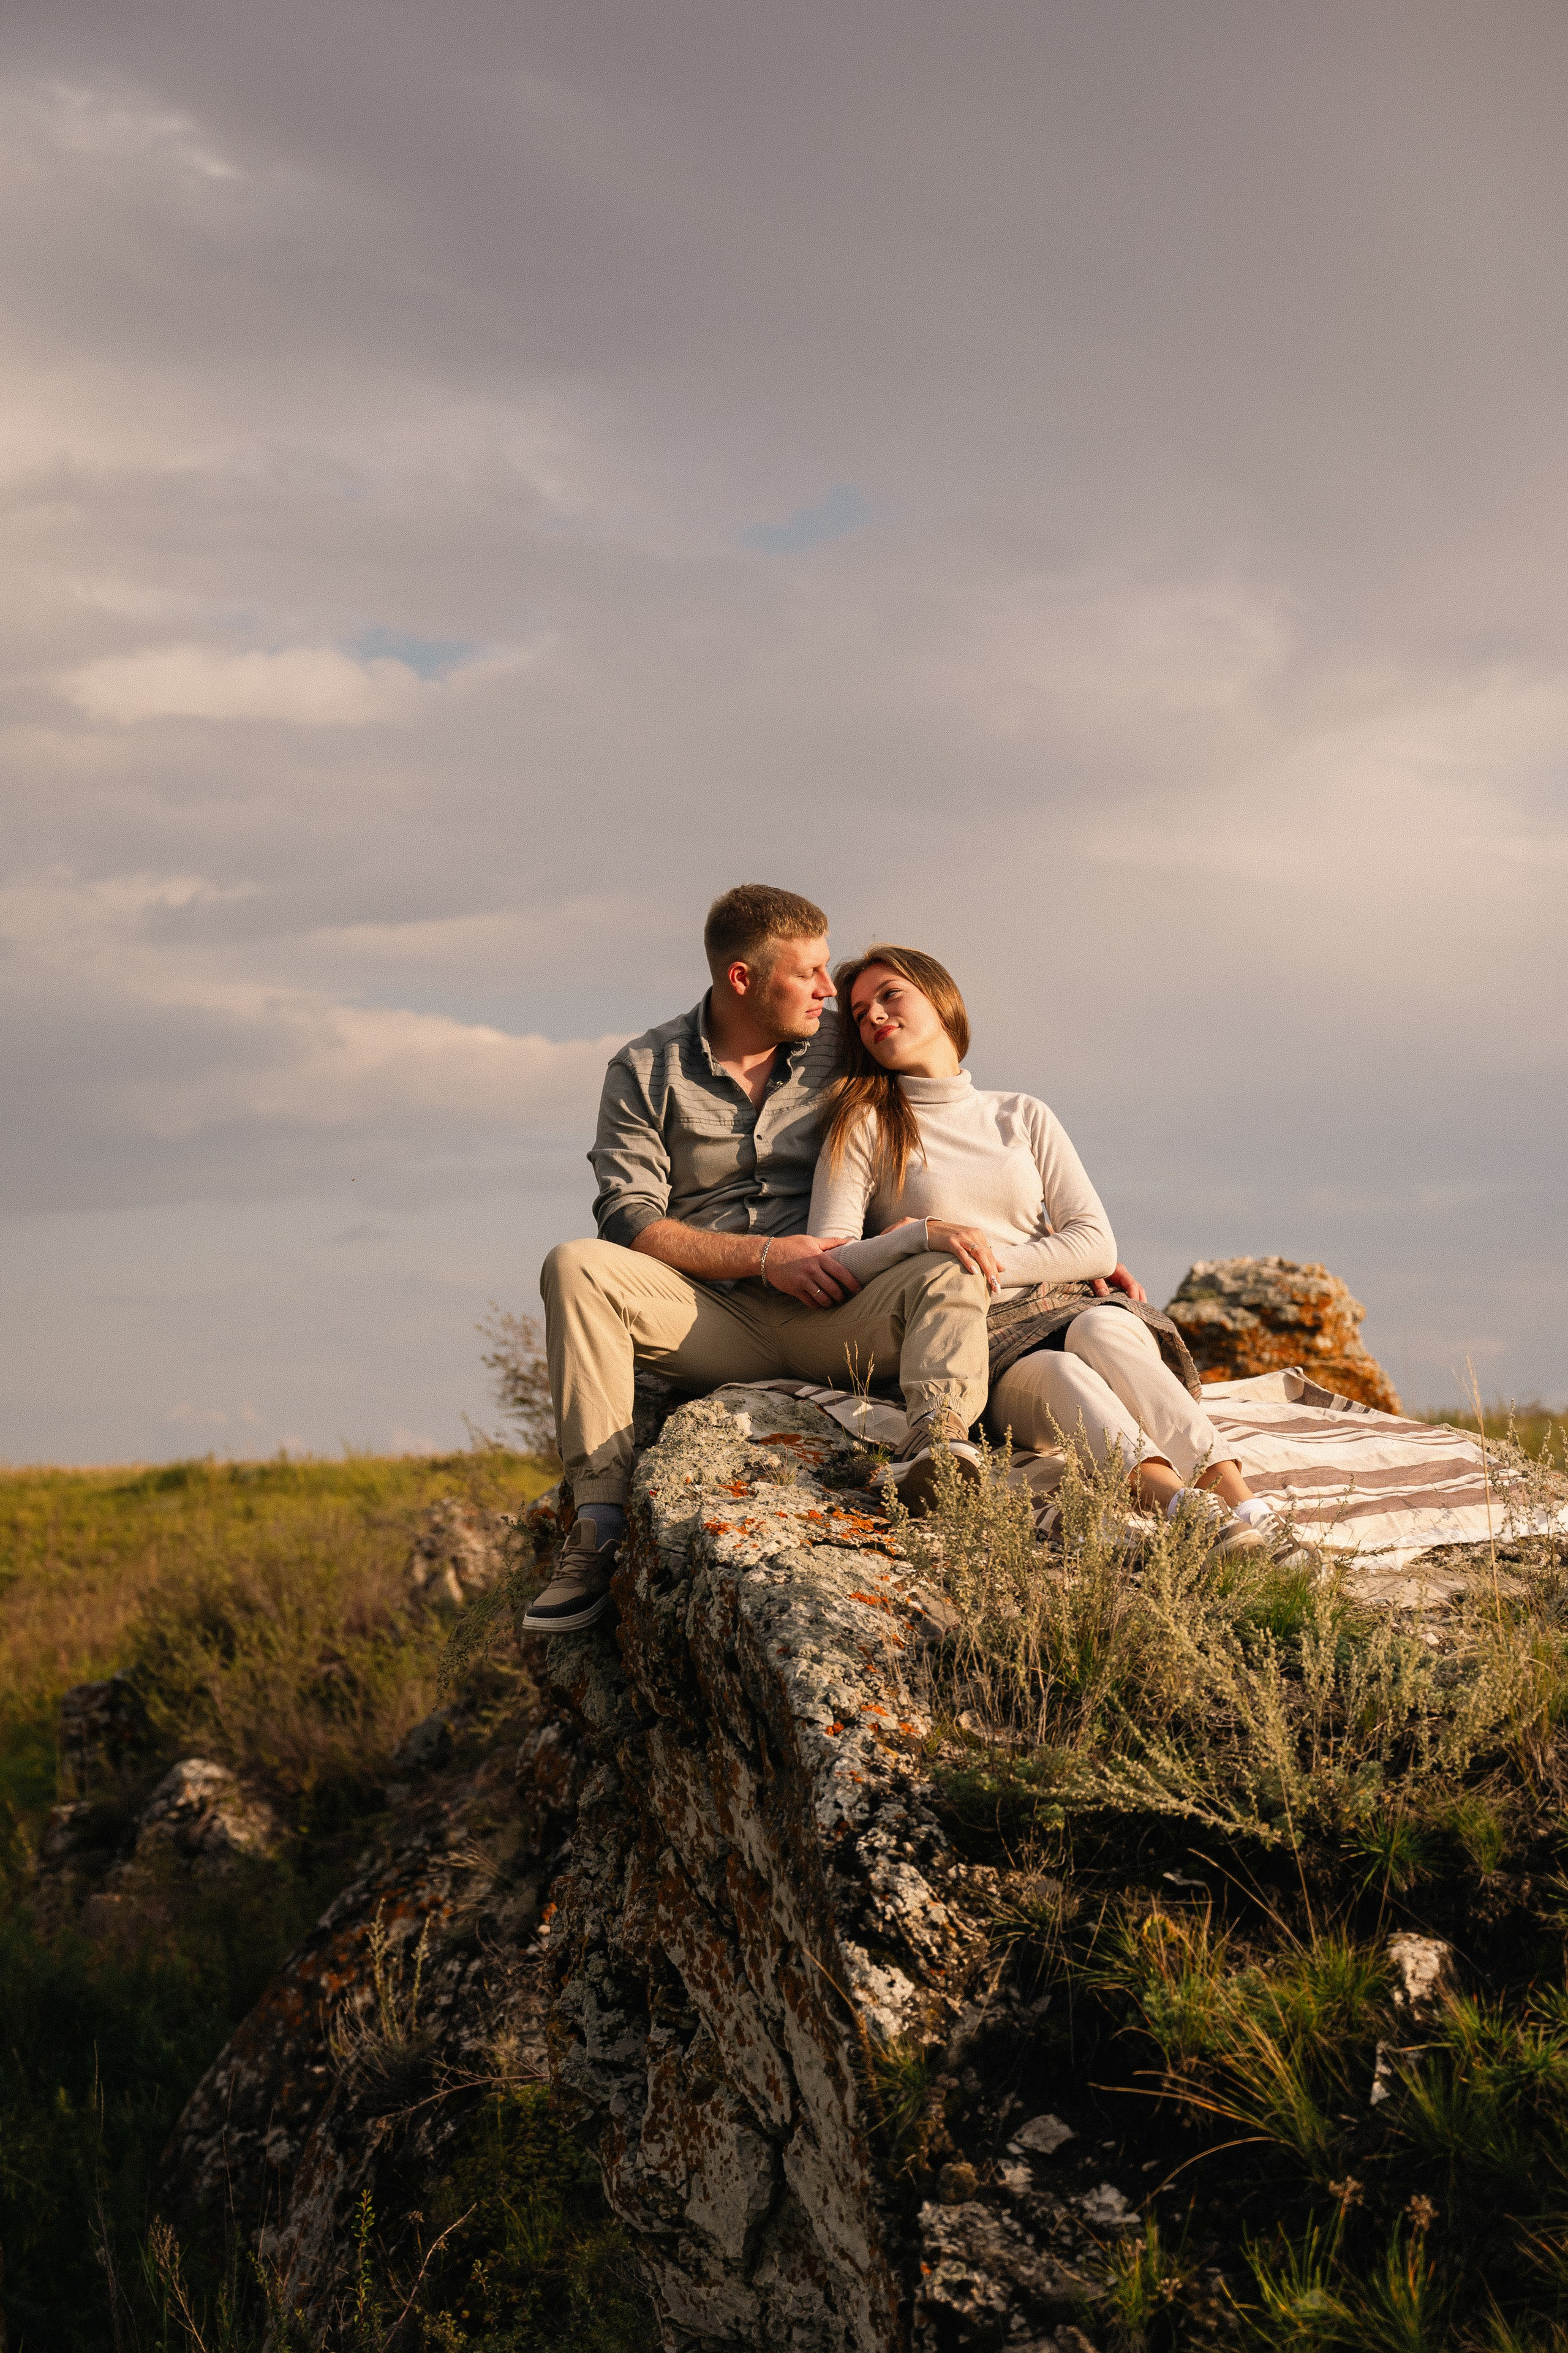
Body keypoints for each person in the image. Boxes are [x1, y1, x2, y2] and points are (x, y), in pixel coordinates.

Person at [524, 888, 1005, 1635]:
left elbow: (954, 1116)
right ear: (742, 979)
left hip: (841, 1306)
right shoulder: (645, 1068)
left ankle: (936, 1457)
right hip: (706, 1318)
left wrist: (1059, 1245)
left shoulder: (843, 1043)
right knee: (576, 1264)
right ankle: (597, 1527)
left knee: (949, 1268)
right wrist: (763, 1256)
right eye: (808, 972)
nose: (828, 989)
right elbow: (630, 1219)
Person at [808, 943, 1278, 1555]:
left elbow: (1094, 1241)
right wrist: (925, 1241)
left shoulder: (1022, 1114)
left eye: (889, 995)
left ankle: (1250, 1508)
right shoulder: (866, 1125)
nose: (873, 1016)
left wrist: (983, 1259)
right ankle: (1187, 1513)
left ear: (941, 999)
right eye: (860, 1012)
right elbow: (831, 1256)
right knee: (1057, 1372)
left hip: (1067, 1308)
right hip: (972, 1340)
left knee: (1103, 1334)